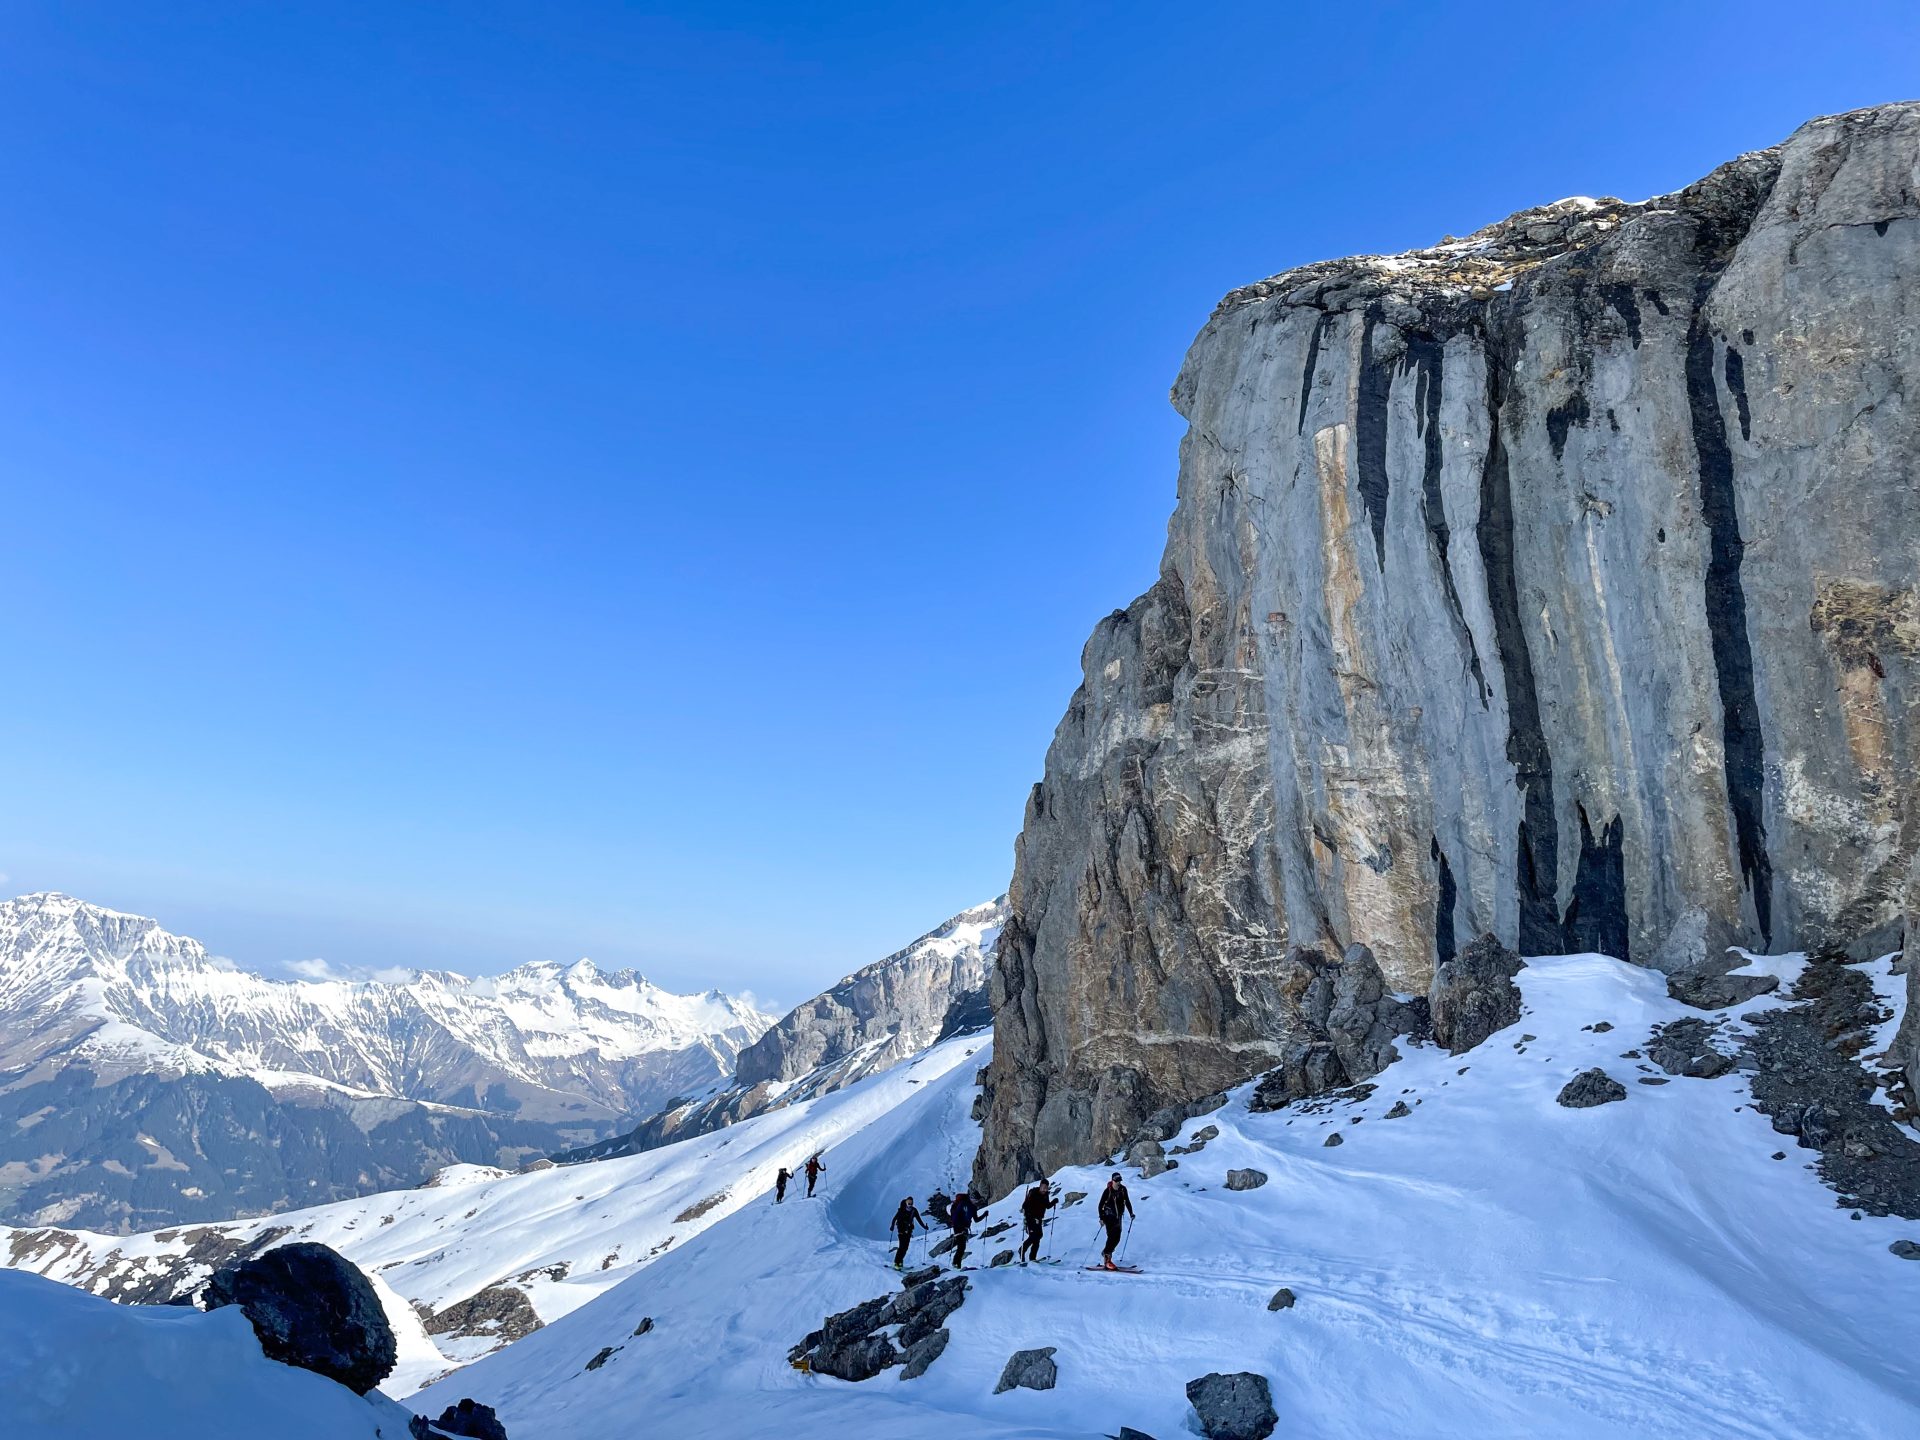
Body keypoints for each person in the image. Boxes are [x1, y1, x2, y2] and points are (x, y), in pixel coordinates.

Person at [1097, 1172, 1134, 1270]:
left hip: (1118, 1217)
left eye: (1120, 1180)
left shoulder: (1123, 1189)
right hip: (1108, 1217)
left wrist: (1131, 1213)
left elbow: (1127, 1201)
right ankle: (1107, 1259)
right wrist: (1101, 1218)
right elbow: (1100, 1205)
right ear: (1112, 1181)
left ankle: (1106, 1252)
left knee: (1117, 1237)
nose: (1118, 1182)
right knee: (1111, 1236)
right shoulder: (1107, 1191)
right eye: (1117, 1181)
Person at [947, 1189, 984, 1270]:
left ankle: (957, 1265)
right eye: (976, 1200)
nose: (976, 1202)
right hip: (958, 1227)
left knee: (962, 1247)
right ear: (972, 1198)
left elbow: (976, 1219)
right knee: (961, 1246)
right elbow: (955, 1217)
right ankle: (955, 1264)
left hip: (964, 1227)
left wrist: (984, 1215)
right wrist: (961, 1228)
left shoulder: (973, 1207)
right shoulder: (963, 1204)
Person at [1019, 1178, 1053, 1264]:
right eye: (1043, 1187)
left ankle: (1032, 1257)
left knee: (1038, 1236)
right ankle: (1022, 1250)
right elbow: (1025, 1205)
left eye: (1046, 1187)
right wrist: (1027, 1216)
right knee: (1033, 1236)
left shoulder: (1045, 1195)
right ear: (1040, 1186)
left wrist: (1054, 1202)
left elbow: (1047, 1206)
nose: (1045, 1189)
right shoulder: (1033, 1193)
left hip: (1039, 1219)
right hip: (1030, 1218)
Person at [891, 1196, 927, 1269]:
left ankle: (900, 1260)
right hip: (901, 1230)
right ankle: (896, 1263)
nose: (910, 1204)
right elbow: (895, 1218)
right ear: (906, 1202)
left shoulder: (914, 1210)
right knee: (901, 1247)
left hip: (909, 1230)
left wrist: (924, 1226)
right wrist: (892, 1226)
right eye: (909, 1203)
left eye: (911, 1203)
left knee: (905, 1247)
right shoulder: (901, 1210)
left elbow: (918, 1219)